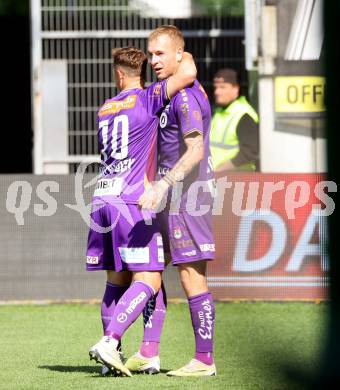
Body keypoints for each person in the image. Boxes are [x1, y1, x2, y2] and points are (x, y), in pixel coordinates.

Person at [87, 46, 197, 376]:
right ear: (139, 72)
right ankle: (110, 342)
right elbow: (188, 72)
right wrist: (177, 53)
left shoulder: (105, 108)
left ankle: (119, 358)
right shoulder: (149, 97)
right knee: (149, 277)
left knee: (115, 281)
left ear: (118, 74)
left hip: (102, 199)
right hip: (133, 202)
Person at [125, 25, 216, 377]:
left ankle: (204, 359)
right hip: (167, 197)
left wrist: (162, 184)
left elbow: (196, 150)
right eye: (151, 54)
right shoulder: (170, 90)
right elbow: (186, 59)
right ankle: (149, 352)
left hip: (186, 197)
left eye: (161, 53)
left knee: (191, 276)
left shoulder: (184, 96)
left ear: (179, 54)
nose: (153, 61)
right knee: (151, 270)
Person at [210, 68, 259, 172]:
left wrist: (219, 170)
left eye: (223, 87)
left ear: (236, 89)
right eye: (216, 87)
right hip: (217, 181)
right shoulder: (218, 112)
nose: (217, 92)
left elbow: (250, 152)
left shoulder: (244, 115)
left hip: (238, 181)